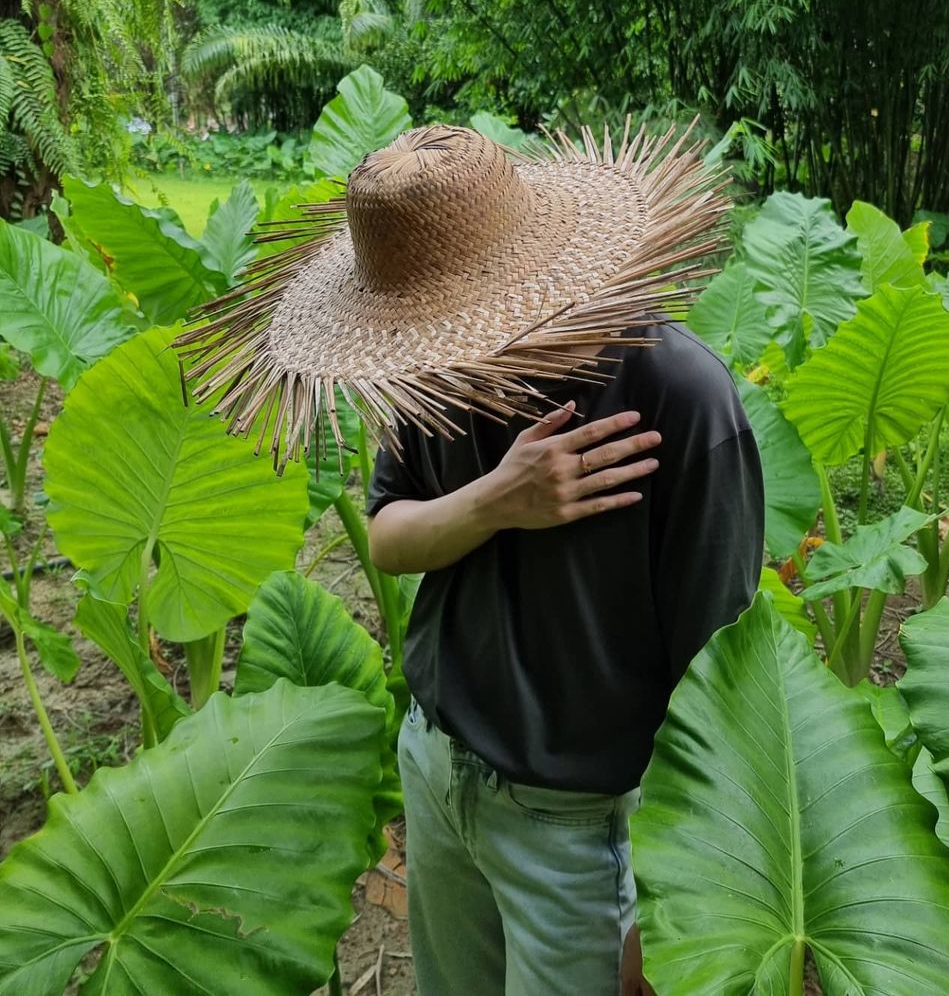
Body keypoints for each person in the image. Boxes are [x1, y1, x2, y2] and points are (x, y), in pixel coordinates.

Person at [178, 119, 764, 995]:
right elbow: (388, 534)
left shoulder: (682, 400)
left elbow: (728, 688)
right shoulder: (430, 365)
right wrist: (500, 501)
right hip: (440, 763)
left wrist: (663, 909)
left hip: (579, 822)